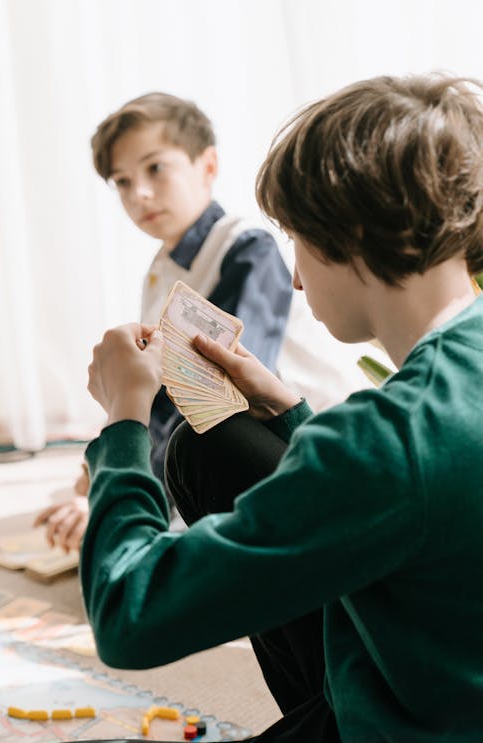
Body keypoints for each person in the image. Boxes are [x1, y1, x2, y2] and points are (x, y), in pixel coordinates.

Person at [30, 71, 483, 743]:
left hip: (403, 731)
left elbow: (129, 617)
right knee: (208, 447)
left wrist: (123, 419)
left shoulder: (391, 436)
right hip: (437, 680)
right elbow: (404, 490)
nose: (296, 275)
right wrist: (291, 409)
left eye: (298, 238)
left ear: (350, 230)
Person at [33, 91, 293, 551]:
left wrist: (124, 483)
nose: (140, 194)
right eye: (123, 182)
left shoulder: (246, 250)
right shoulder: (162, 267)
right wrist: (108, 460)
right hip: (209, 437)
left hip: (275, 444)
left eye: (155, 168)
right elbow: (160, 387)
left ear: (207, 165)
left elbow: (212, 394)